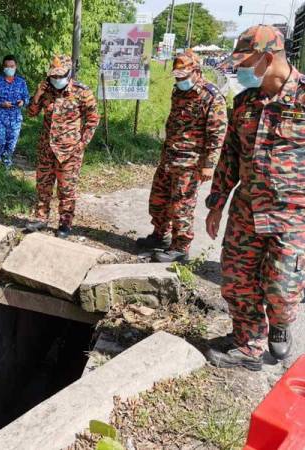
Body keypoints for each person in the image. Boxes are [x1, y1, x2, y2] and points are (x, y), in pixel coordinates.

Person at [205, 25, 305, 370]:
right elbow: (230, 156)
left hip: (293, 218)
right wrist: (217, 203)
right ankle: (248, 343)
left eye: (245, 62)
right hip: (247, 210)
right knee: (236, 278)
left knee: (281, 289)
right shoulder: (244, 103)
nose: (238, 70)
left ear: (267, 58)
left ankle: (279, 323)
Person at [136, 51, 228, 262]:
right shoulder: (178, 91)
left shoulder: (211, 96)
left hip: (190, 163)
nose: (179, 80)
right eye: (177, 76)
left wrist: (209, 165)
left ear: (196, 72)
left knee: (181, 207)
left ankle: (181, 248)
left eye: (183, 76)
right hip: (169, 158)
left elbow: (217, 134)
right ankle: (161, 237)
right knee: (158, 201)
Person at [25, 55, 100, 239]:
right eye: (53, 76)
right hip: (46, 150)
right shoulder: (45, 90)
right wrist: (37, 94)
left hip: (69, 152)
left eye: (60, 76)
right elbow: (31, 113)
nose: (56, 80)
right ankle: (40, 218)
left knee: (67, 190)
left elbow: (93, 119)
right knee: (43, 186)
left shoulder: (82, 92)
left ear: (68, 73)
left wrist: (82, 144)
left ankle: (65, 224)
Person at [0, 54, 30, 168]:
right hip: (0, 117)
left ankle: (5, 168)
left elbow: (27, 97)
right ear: (3, 67)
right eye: (7, 66)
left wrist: (23, 102)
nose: (9, 68)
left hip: (15, 119)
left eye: (12, 66)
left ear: (16, 67)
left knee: (11, 145)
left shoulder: (21, 82)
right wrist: (1, 104)